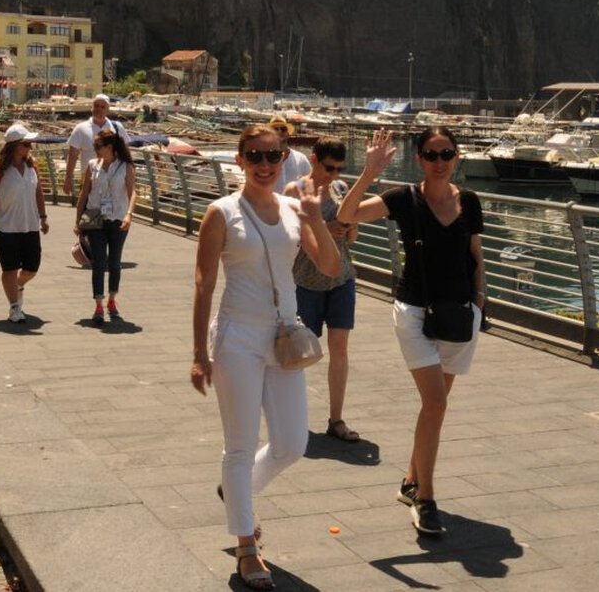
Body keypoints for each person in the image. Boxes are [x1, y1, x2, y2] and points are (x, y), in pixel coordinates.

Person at [191, 124, 341, 590]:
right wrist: (199, 353)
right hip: (237, 335)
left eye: (272, 156)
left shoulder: (296, 210)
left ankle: (237, 497)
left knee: (292, 443)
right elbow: (203, 284)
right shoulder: (222, 212)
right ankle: (246, 547)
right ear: (239, 160)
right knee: (239, 444)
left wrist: (316, 218)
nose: (263, 164)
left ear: (284, 159)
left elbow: (331, 267)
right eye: (254, 155)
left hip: (284, 336)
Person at [336, 126, 486, 537]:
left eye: (447, 154)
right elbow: (347, 216)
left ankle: (409, 481)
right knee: (435, 405)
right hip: (416, 312)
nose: (440, 161)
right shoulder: (403, 198)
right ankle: (427, 498)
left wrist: (479, 304)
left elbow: (475, 256)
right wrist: (369, 172)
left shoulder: (469, 201)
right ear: (419, 158)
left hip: (458, 315)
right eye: (432, 154)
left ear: (456, 157)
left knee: (433, 410)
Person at [283, 137, 361, 443]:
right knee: (300, 351)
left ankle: (336, 418)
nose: (334, 176)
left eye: (340, 169)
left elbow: (351, 239)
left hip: (342, 278)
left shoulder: (341, 190)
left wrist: (350, 229)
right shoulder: (294, 191)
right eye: (329, 168)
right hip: (305, 281)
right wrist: (324, 228)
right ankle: (292, 416)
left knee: (340, 348)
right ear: (314, 160)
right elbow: (291, 237)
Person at [0, 124, 50, 323]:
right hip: (4, 226)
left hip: (30, 225)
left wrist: (43, 217)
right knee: (9, 268)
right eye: (26, 144)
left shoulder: (31, 166)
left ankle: (17, 286)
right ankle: (14, 307)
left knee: (32, 268)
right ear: (15, 146)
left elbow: (38, 192)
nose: (30, 147)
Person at [74, 128, 137, 323]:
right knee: (98, 262)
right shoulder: (93, 165)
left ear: (110, 147)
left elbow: (133, 192)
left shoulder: (125, 166)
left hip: (118, 216)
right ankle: (98, 305)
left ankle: (112, 300)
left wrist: (129, 215)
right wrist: (78, 221)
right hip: (94, 216)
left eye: (98, 146)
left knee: (115, 262)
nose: (95, 149)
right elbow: (84, 194)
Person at [63, 94, 130, 197]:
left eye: (103, 107)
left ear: (108, 109)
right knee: (88, 210)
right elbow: (73, 155)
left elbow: (125, 152)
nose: (99, 109)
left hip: (113, 180)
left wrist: (129, 176)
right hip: (89, 181)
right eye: (96, 106)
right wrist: (68, 178)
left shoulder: (117, 127)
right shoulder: (80, 128)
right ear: (92, 107)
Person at [267, 116, 311, 193]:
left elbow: (310, 183)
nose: (279, 132)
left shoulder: (301, 159)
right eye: (275, 129)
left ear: (287, 134)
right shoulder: (262, 159)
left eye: (283, 129)